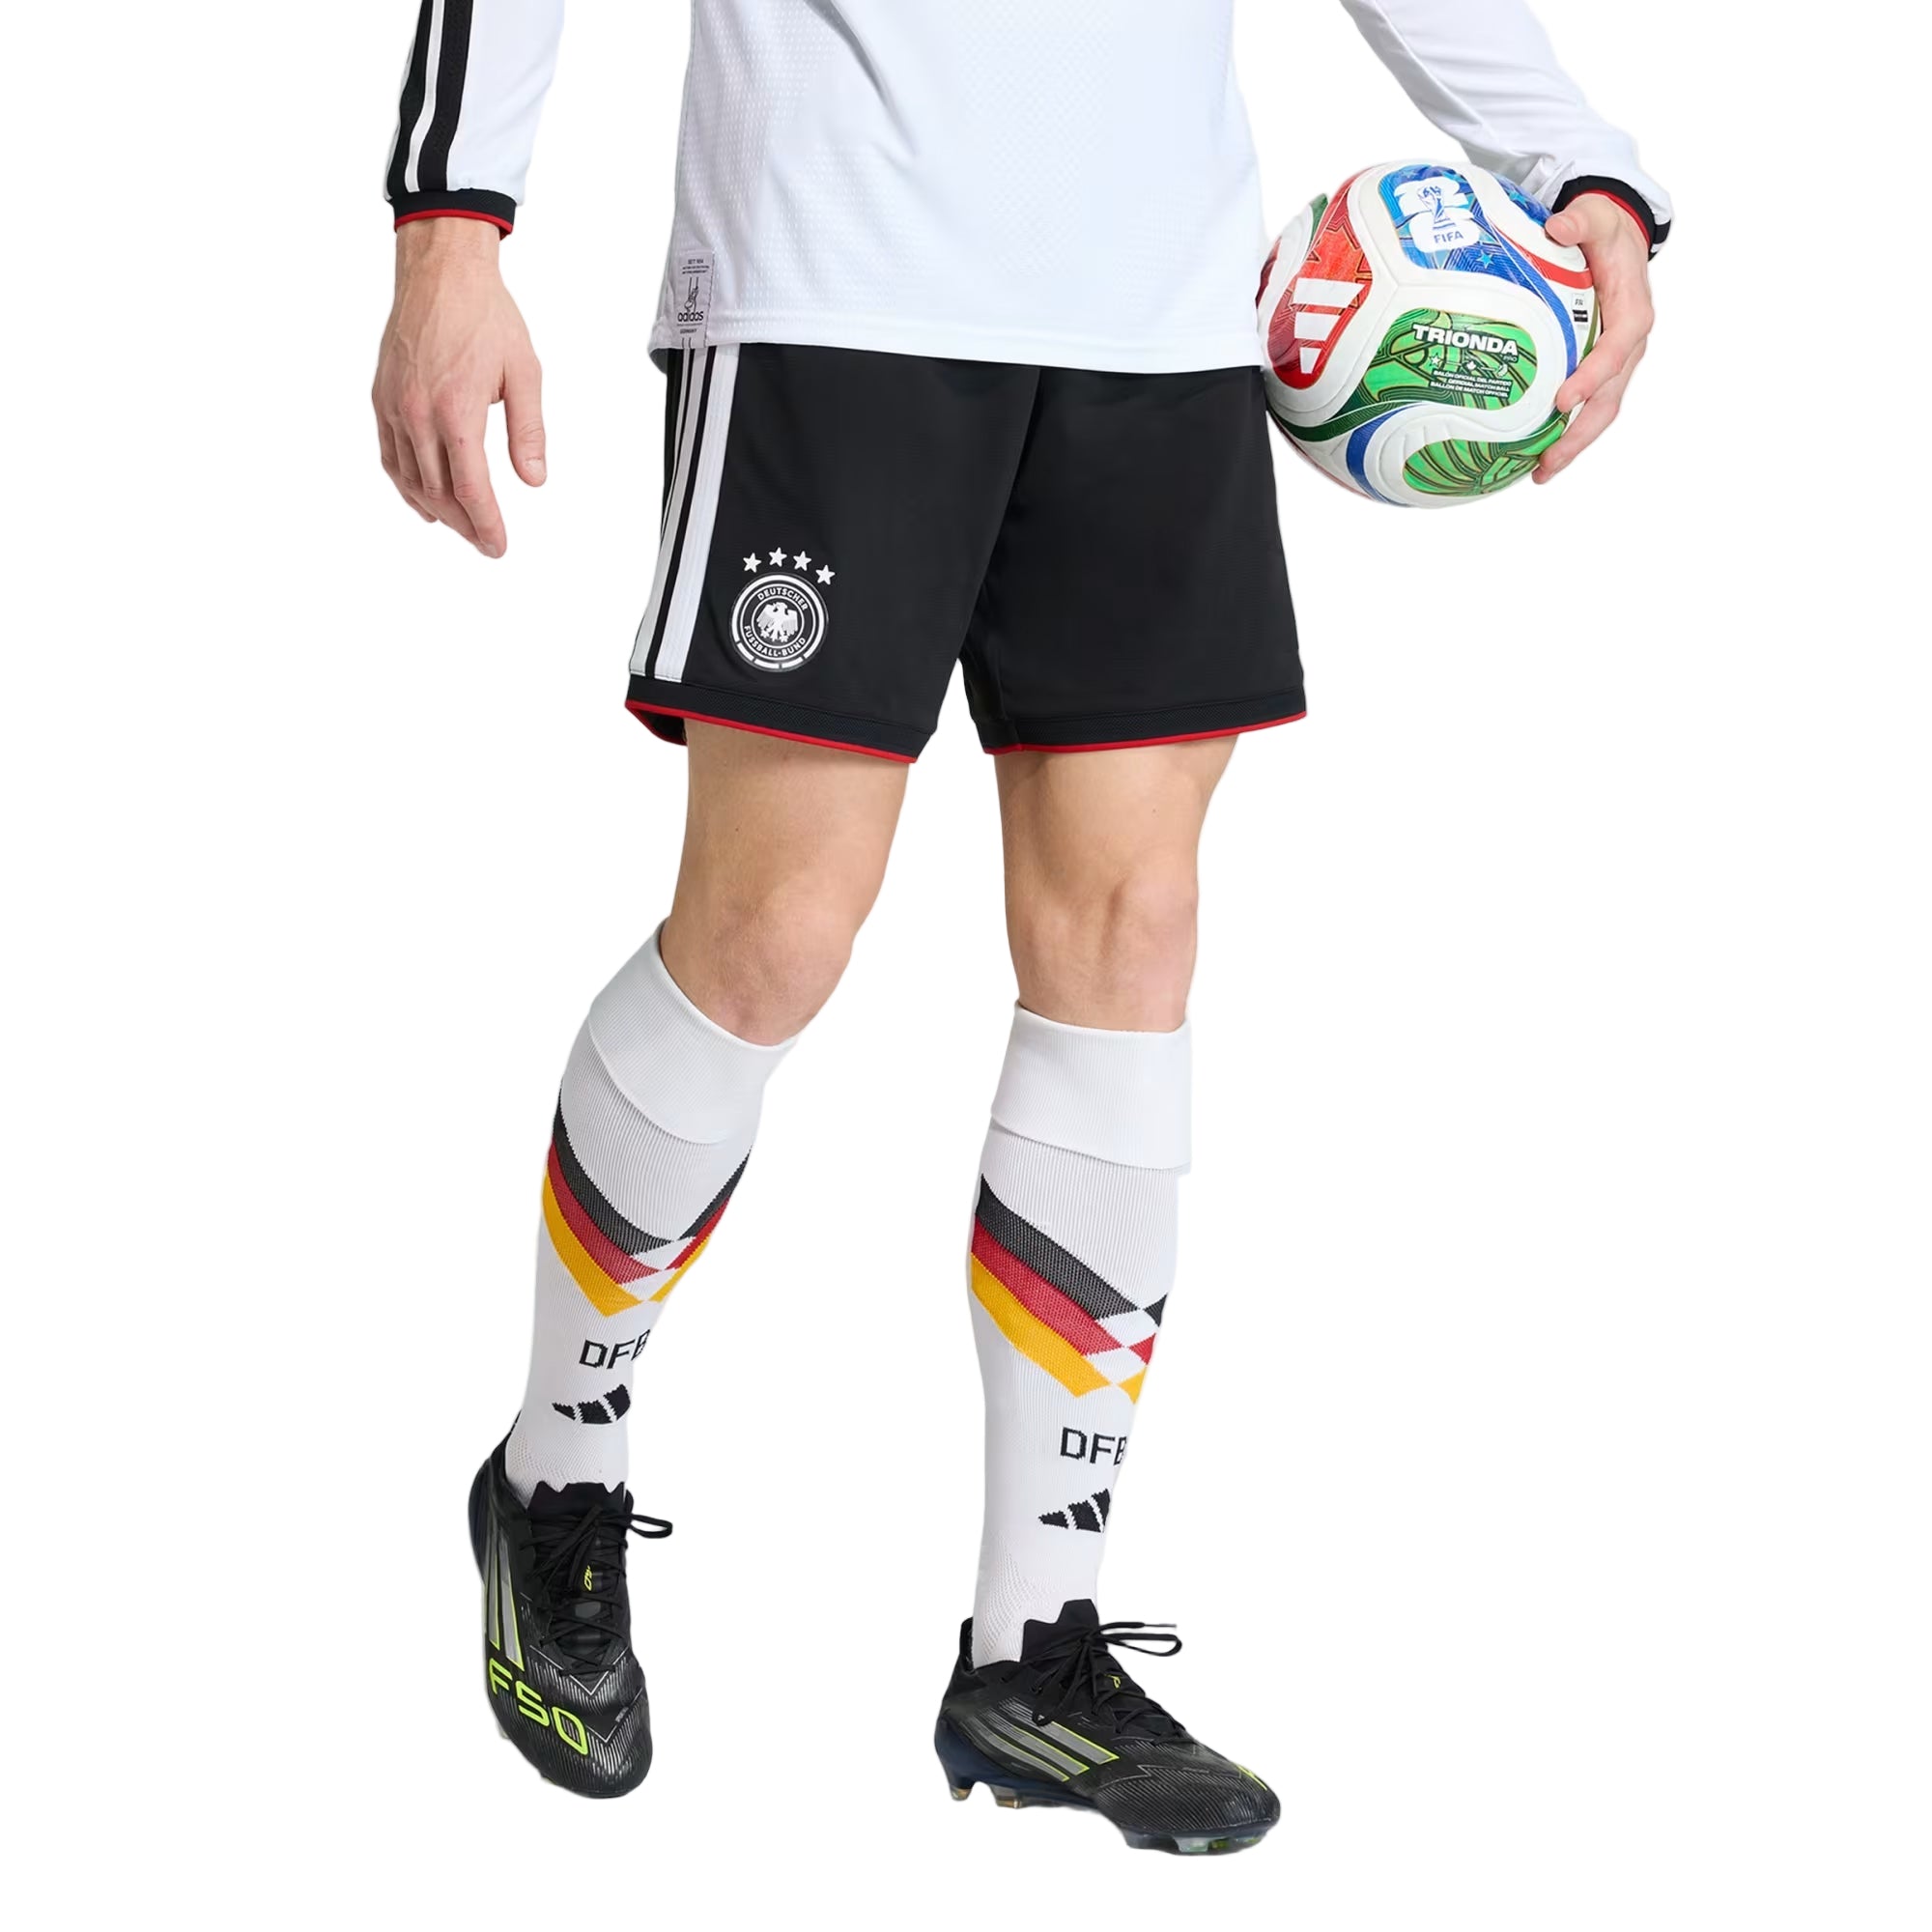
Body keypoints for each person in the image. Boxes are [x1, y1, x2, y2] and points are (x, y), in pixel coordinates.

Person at [374, 0, 1668, 1850]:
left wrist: (1578, 161)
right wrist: (453, 221)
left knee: (1131, 936)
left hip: (1164, 311)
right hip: (836, 274)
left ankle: (1031, 1653)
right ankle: (553, 1476)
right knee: (771, 934)